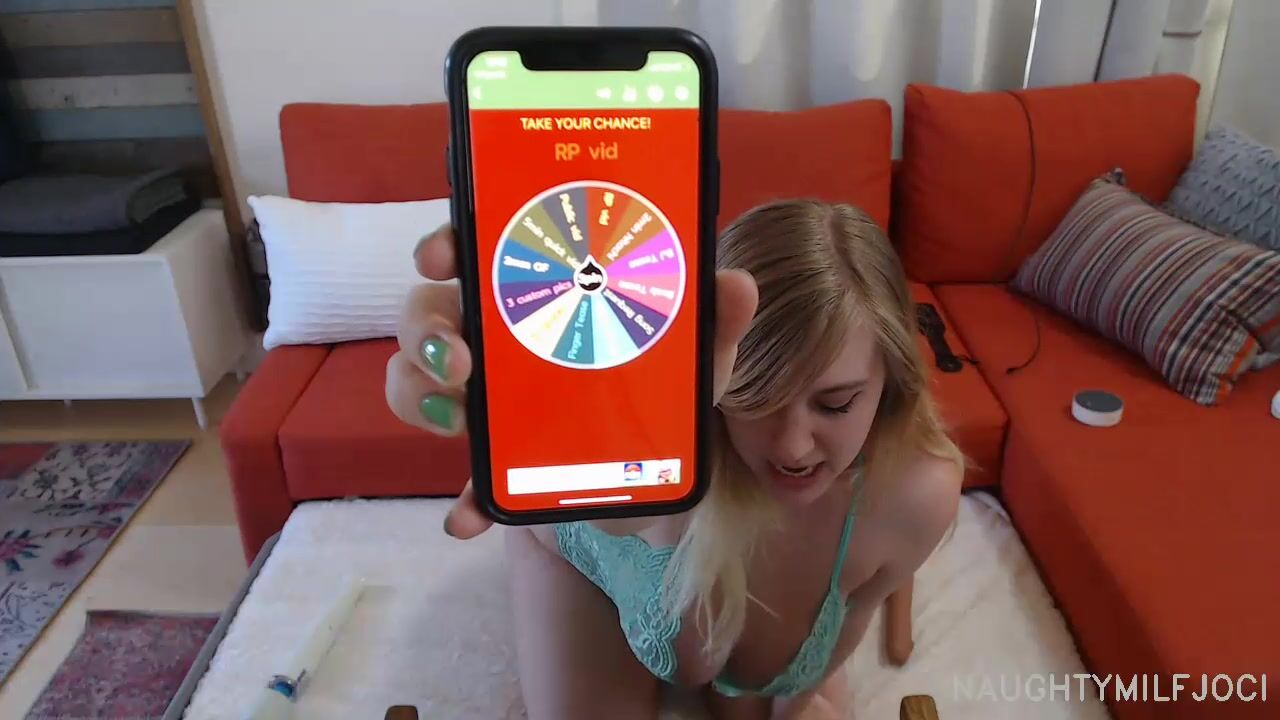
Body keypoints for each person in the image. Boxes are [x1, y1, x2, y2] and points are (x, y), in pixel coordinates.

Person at [385, 199, 964, 720]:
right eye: (754, 401)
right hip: (583, 549)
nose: (793, 447)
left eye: (835, 405)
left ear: (892, 381)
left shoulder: (921, 493)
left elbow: (828, 647)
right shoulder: (659, 458)